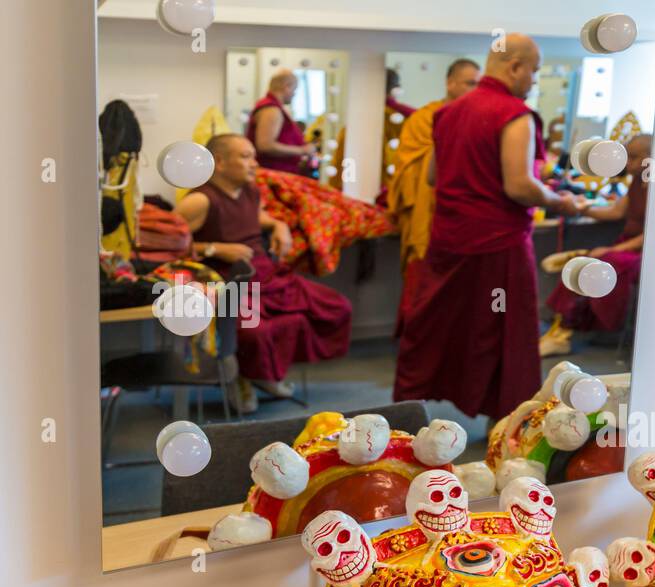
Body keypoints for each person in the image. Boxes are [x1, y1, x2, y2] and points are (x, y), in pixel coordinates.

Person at [393, 34, 585, 419]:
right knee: (501, 334)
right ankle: (507, 421)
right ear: (515, 67)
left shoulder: (446, 113)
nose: (534, 81)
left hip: (448, 242)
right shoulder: (514, 114)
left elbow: (432, 176)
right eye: (533, 71)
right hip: (498, 244)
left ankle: (406, 414)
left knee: (437, 328)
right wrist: (559, 200)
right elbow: (519, 186)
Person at [177, 134, 352, 413]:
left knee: (335, 308)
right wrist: (216, 248)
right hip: (229, 283)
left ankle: (266, 373)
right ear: (219, 162)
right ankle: (240, 377)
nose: (254, 164)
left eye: (254, 156)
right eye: (245, 157)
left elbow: (256, 217)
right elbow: (167, 246)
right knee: (254, 332)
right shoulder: (199, 201)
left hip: (268, 275)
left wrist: (279, 224)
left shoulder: (250, 190)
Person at [539, 133, 652, 357]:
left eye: (634, 157)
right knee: (584, 264)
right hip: (626, 245)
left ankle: (565, 332)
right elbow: (616, 211)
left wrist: (611, 250)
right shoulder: (636, 183)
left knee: (604, 262)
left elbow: (652, 234)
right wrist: (580, 208)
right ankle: (562, 329)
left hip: (645, 252)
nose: (626, 162)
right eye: (626, 156)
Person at [388, 58, 481, 270]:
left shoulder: (479, 120)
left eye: (479, 84)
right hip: (429, 210)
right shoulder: (423, 119)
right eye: (470, 83)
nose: (476, 90)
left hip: (466, 217)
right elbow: (409, 170)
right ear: (450, 83)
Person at [246, 69, 316, 175]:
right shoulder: (271, 109)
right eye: (294, 89)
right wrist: (302, 150)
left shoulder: (273, 107)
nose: (294, 94)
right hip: (273, 174)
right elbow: (265, 145)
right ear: (286, 86)